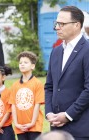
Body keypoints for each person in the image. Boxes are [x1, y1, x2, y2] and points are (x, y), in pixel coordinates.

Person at [45, 6, 89, 140]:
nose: (57, 27)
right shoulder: (56, 51)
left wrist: (68, 115)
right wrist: (49, 113)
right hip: (56, 128)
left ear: (77, 25)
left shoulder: (87, 50)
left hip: (80, 128)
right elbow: (49, 86)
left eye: (62, 24)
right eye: (56, 23)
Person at [9, 51, 45, 140]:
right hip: (20, 127)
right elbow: (13, 105)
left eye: (25, 62)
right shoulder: (15, 85)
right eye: (20, 63)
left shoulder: (37, 83)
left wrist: (32, 123)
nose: (22, 64)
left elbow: (37, 104)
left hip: (34, 126)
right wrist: (16, 124)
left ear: (32, 66)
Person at [0, 65, 15, 140]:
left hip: (5, 128)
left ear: (3, 77)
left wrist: (0, 125)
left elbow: (9, 111)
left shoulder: (8, 92)